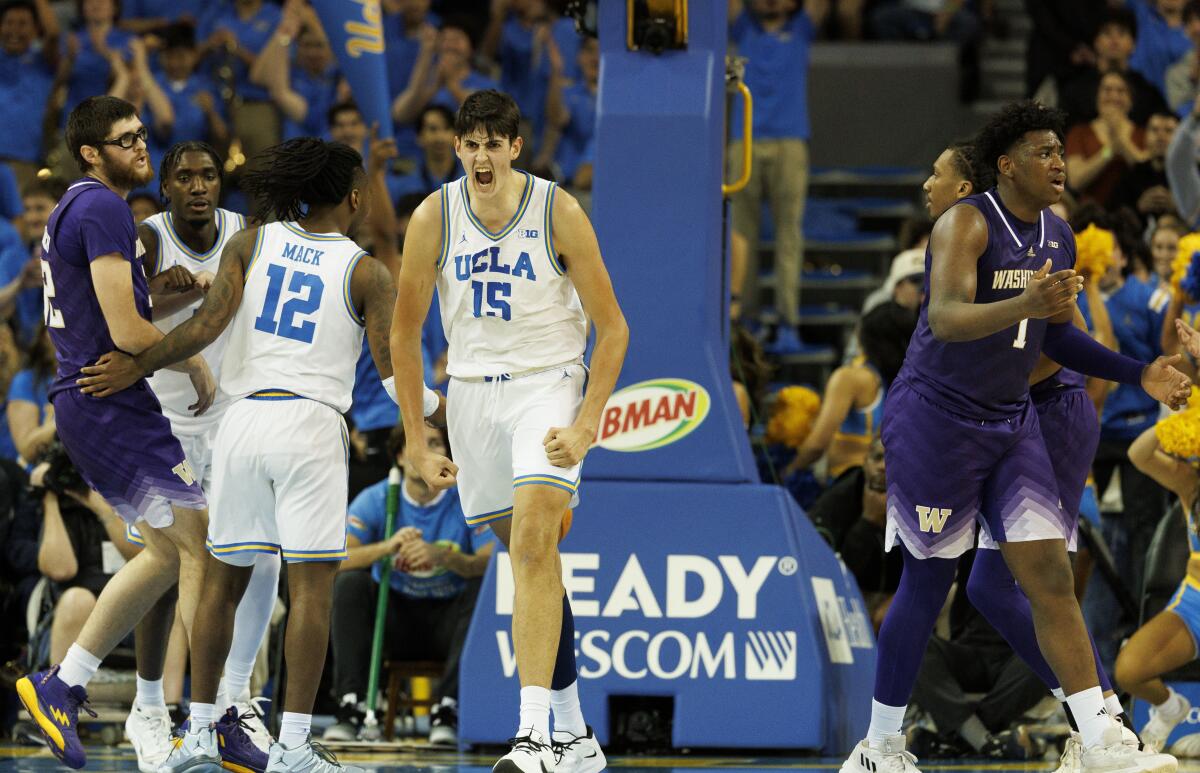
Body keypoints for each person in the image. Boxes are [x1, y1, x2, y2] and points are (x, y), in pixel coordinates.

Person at [840, 100, 1188, 773]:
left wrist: (1137, 371)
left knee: (1048, 574)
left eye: (1062, 150)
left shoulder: (1058, 233)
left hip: (1009, 418)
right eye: (1043, 151)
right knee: (931, 575)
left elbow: (1054, 334)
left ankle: (1101, 739)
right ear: (1006, 164)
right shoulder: (964, 224)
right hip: (937, 418)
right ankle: (879, 746)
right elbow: (942, 317)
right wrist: (1026, 302)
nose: (1059, 162)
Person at [76, 136, 443, 773]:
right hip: (310, 427)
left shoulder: (253, 240)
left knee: (220, 583)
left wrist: (136, 365)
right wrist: (438, 414)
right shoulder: (366, 271)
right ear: (356, 199)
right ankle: (295, 744)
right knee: (311, 591)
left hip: (241, 422)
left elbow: (200, 328)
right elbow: (392, 376)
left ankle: (199, 733)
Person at [392, 89, 627, 773]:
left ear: (516, 147)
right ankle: (577, 733)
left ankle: (532, 739)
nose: (482, 155)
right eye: (471, 143)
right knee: (534, 564)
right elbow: (405, 335)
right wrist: (414, 434)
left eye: (495, 142)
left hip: (547, 385)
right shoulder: (433, 215)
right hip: (470, 399)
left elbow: (613, 328)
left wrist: (586, 425)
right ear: (457, 148)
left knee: (532, 542)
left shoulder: (559, 210)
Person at [13, 95, 214, 771]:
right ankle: (203, 720)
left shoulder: (83, 207)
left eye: (141, 134)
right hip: (107, 401)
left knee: (164, 553)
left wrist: (181, 294)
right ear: (92, 153)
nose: (141, 147)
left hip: (95, 400)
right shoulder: (100, 207)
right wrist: (190, 354)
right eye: (125, 140)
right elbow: (127, 332)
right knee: (200, 545)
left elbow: (116, 306)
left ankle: (63, 684)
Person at [122, 141, 277, 773]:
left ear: (222, 183)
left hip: (233, 420)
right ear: (165, 187)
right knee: (164, 569)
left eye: (207, 176)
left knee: (258, 554)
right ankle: (150, 707)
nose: (197, 186)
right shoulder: (149, 238)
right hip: (161, 421)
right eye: (183, 177)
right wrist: (177, 292)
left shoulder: (246, 234)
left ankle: (231, 701)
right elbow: (121, 316)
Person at [327, 422, 493, 745]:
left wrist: (446, 558)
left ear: (449, 455)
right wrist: (386, 548)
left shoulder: (468, 499)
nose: (429, 451)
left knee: (482, 590)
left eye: (437, 443)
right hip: (395, 621)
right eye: (420, 443)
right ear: (402, 456)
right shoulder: (376, 499)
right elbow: (337, 560)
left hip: (448, 622)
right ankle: (351, 705)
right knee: (350, 584)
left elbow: (492, 562)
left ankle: (448, 709)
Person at [727, 0, 823, 354]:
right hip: (744, 141)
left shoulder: (801, 29)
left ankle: (787, 322)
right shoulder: (744, 29)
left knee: (789, 236)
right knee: (741, 237)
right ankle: (746, 319)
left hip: (790, 140)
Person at [1116, 394, 1200, 752]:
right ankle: (1170, 709)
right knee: (1130, 670)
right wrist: (1174, 426)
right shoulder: (1192, 483)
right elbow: (1139, 454)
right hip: (1195, 601)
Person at [785, 300, 915, 480]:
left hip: (851, 482)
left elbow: (817, 445)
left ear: (864, 336)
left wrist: (788, 473)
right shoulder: (911, 379)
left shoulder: (851, 378)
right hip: (894, 483)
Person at [1065, 71, 1148, 207]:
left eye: (1121, 91)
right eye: (1107, 90)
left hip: (1134, 214)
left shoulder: (1144, 134)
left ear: (1131, 99)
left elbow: (1147, 175)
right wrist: (1109, 151)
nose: (1114, 96)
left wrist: (1122, 143)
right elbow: (1075, 181)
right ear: (1097, 97)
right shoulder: (1080, 133)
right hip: (1091, 213)